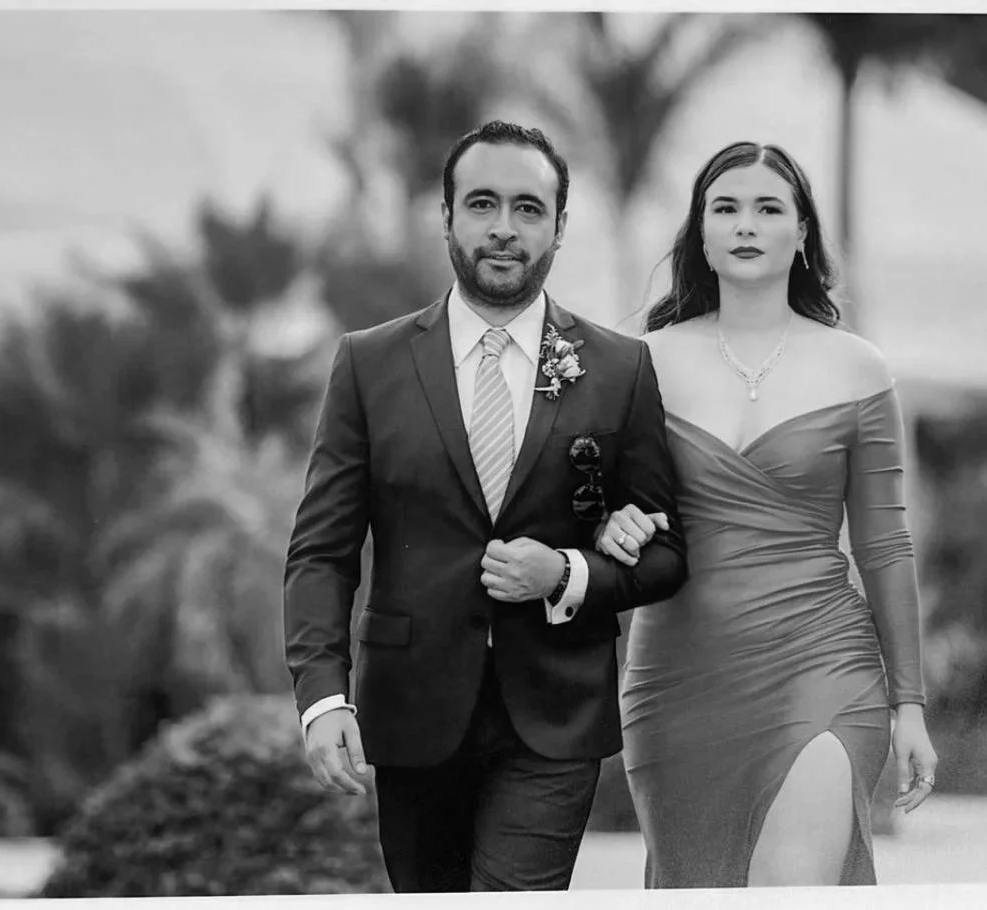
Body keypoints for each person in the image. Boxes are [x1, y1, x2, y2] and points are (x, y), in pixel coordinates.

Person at [282, 120, 687, 893]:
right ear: (447, 218)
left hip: (554, 719)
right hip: (409, 713)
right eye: (482, 204)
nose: (504, 227)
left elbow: (667, 552)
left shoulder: (618, 369)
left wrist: (566, 574)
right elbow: (321, 553)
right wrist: (323, 697)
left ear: (558, 227)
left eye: (528, 208)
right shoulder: (368, 364)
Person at [597, 141, 939, 888]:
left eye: (767, 208)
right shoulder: (638, 364)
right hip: (678, 678)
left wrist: (908, 704)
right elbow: (602, 511)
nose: (745, 224)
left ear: (802, 231)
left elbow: (884, 546)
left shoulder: (857, 367)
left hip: (823, 660)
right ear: (701, 233)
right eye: (725, 208)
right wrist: (607, 526)